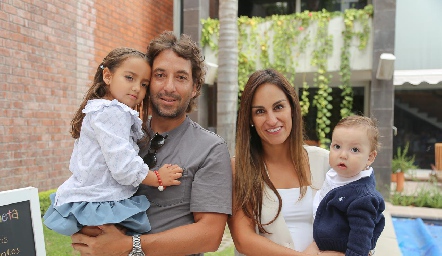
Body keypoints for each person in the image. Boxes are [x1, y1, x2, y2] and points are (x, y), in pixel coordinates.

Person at [71, 31, 232, 256]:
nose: (169, 87)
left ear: (195, 87)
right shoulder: (118, 134)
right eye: (160, 75)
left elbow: (209, 236)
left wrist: (129, 246)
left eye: (181, 77)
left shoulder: (210, 149)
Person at [43, 47, 183, 237]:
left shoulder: (101, 110)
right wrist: (157, 178)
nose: (136, 88)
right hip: (100, 200)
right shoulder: (112, 113)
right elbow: (122, 165)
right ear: (107, 76)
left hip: (95, 195)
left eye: (144, 84)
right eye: (129, 78)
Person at [228, 68, 343, 256]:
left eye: (278, 107)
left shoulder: (325, 162)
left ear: (292, 108)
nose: (272, 120)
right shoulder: (239, 168)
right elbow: (244, 240)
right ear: (250, 119)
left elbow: (353, 217)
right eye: (260, 111)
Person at [307, 115, 385, 256]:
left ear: (370, 157)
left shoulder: (363, 198)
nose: (343, 155)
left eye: (354, 150)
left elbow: (360, 243)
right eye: (337, 146)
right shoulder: (336, 175)